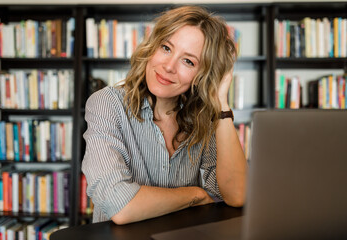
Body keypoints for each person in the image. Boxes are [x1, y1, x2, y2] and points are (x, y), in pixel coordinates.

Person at [81, 5, 247, 225]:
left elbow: (237, 195)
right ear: (152, 47)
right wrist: (195, 195)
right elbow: (119, 205)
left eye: (188, 61)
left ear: (202, 75)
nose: (168, 66)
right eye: (166, 48)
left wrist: (222, 104)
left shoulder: (204, 119)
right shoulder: (107, 103)